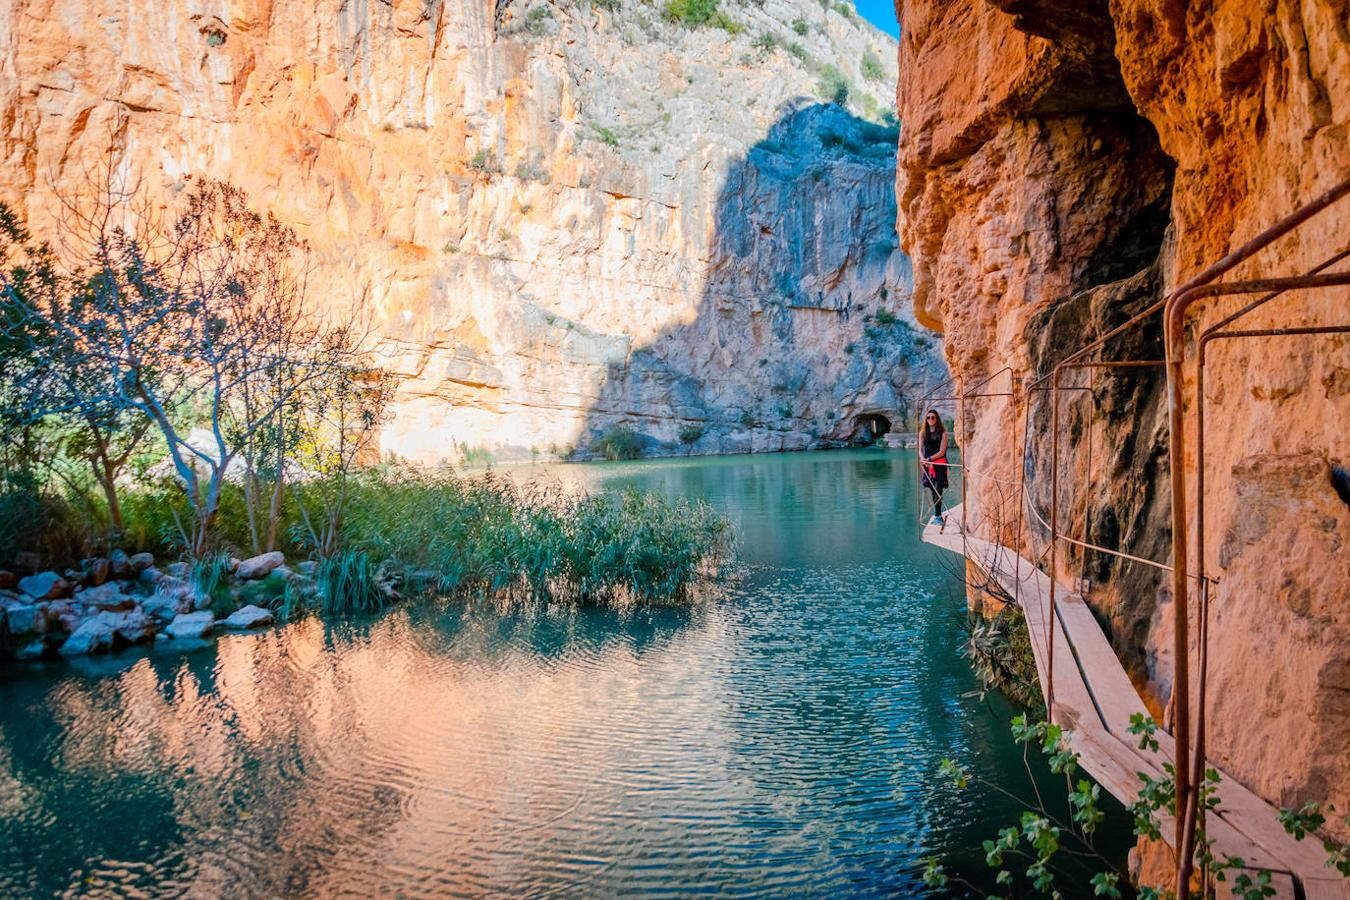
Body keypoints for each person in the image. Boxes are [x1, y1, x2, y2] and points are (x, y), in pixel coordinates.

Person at [919, 408, 949, 528]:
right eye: (928, 417)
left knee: (938, 489)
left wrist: (930, 459)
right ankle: (937, 515)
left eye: (933, 417)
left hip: (939, 464)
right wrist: (923, 459)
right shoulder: (922, 433)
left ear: (937, 419)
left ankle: (938, 516)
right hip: (926, 465)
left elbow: (942, 452)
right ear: (925, 419)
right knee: (932, 488)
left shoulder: (943, 432)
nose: (930, 419)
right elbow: (920, 449)